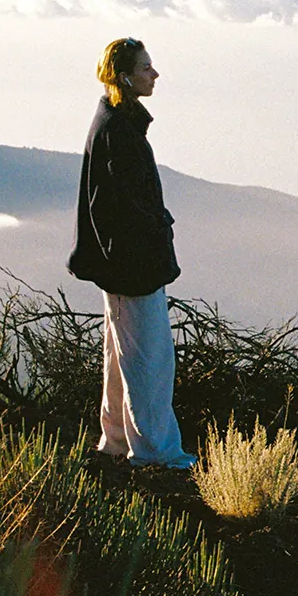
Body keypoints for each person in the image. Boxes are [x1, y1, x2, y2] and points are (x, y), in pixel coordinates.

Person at [67, 37, 195, 469]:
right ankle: (157, 454)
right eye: (145, 67)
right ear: (125, 75)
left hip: (123, 267)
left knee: (123, 361)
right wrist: (150, 238)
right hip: (131, 269)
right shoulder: (118, 131)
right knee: (150, 363)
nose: (154, 74)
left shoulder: (114, 122)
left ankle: (118, 442)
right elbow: (116, 209)